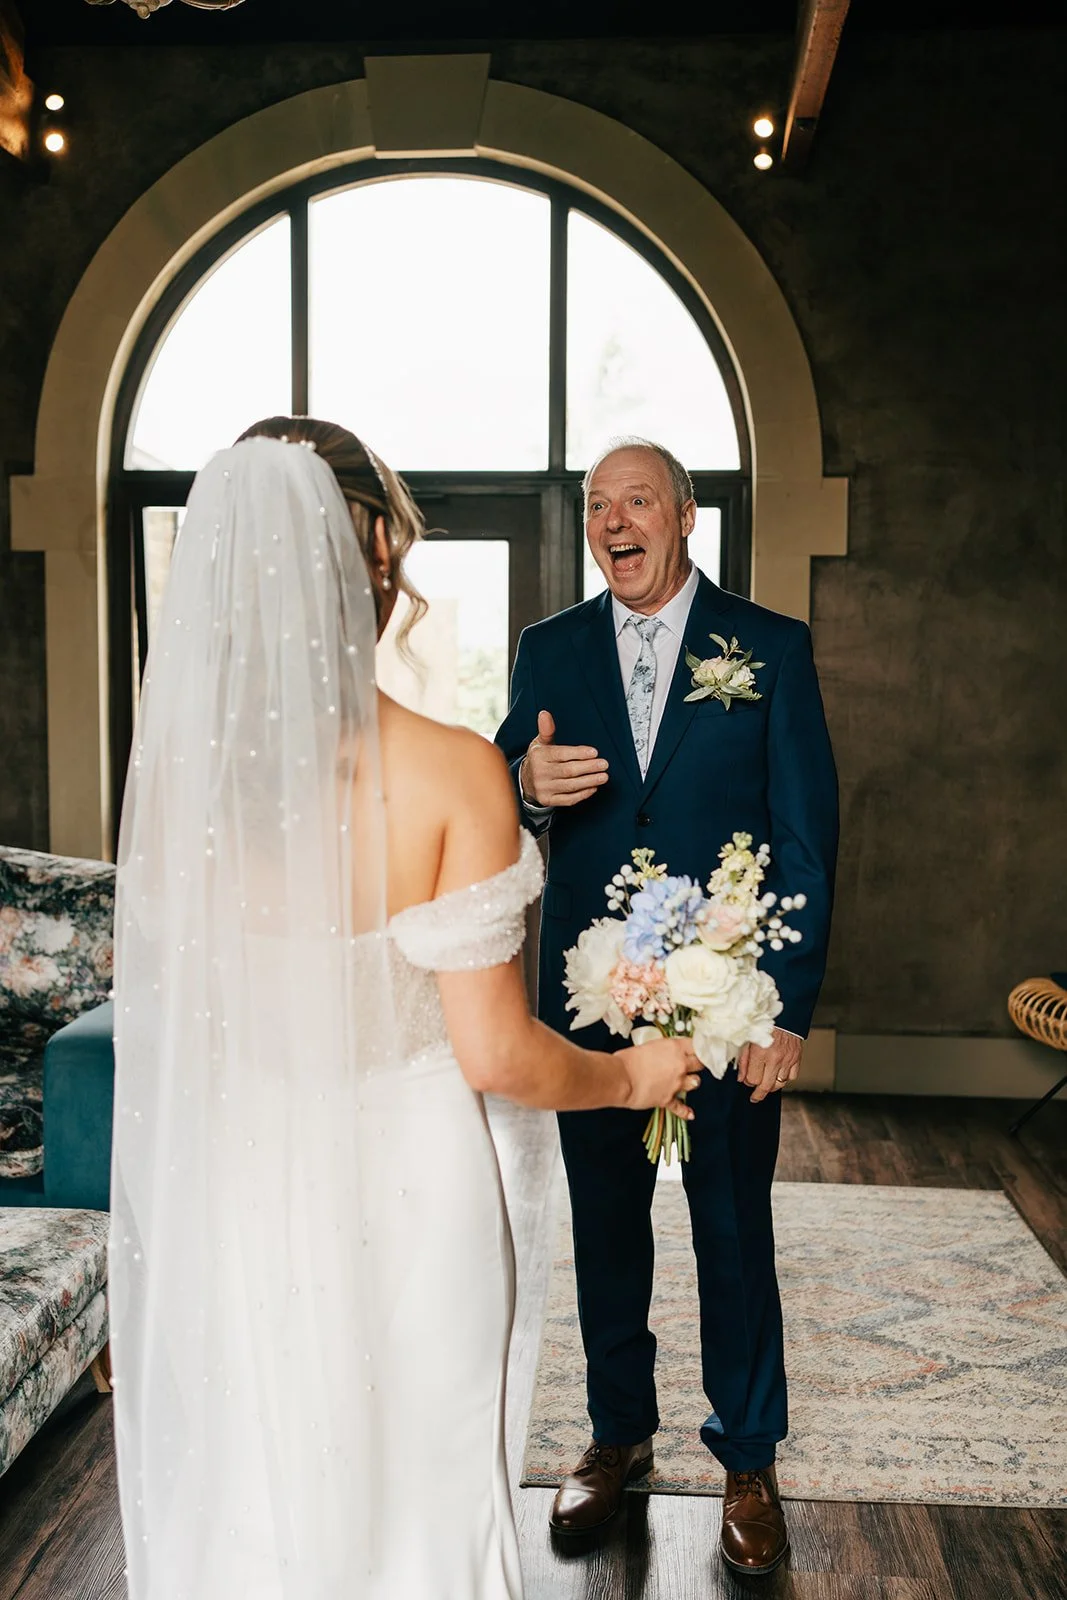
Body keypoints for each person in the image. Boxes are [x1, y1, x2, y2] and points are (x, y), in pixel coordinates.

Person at [109, 417, 700, 1600]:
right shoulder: (448, 772)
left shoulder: (177, 787)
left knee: (260, 1477)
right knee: (416, 1497)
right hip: (411, 1185)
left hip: (242, 1185)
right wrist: (635, 1074)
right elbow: (494, 1052)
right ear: (374, 546)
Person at [495, 436, 838, 1577]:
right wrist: (520, 789)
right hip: (593, 1003)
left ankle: (746, 1456)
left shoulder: (768, 648)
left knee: (731, 1229)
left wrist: (783, 1008)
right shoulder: (548, 650)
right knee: (605, 1227)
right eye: (597, 504)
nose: (612, 519)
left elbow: (802, 836)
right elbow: (498, 799)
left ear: (684, 517)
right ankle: (614, 1436)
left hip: (727, 1001)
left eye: (635, 499)